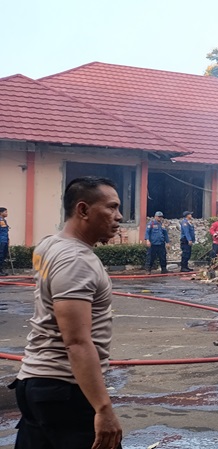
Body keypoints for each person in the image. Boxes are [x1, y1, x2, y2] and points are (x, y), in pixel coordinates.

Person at [10, 176, 123, 449]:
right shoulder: (76, 260)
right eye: (111, 207)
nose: (119, 217)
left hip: (36, 383)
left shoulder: (48, 245)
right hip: (65, 390)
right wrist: (103, 408)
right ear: (83, 210)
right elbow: (76, 342)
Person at [0, 207, 9, 276]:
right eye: (5, 212)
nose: (6, 213)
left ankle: (1, 270)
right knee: (0, 255)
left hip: (5, 240)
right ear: (1, 213)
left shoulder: (4, 221)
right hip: (1, 240)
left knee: (3, 255)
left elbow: (5, 231)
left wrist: (8, 240)